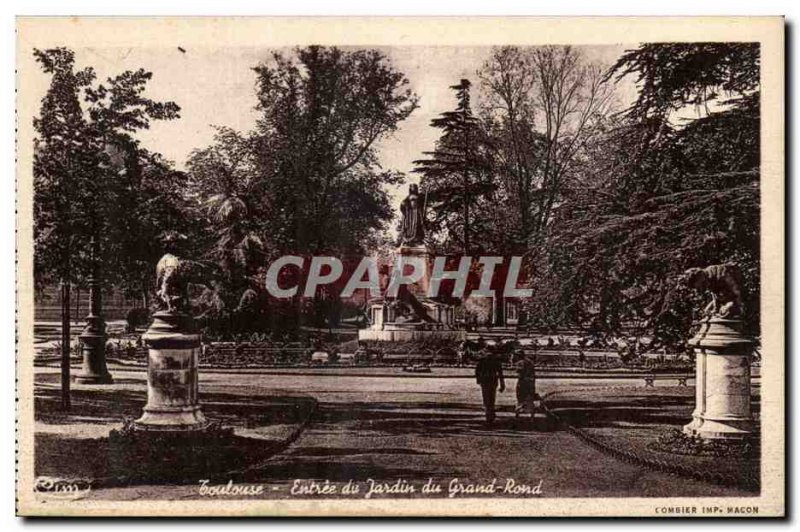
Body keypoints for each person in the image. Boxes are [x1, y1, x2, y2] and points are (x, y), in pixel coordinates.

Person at [475, 352, 505, 424]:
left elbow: (477, 371)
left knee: (487, 398)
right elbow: (500, 374)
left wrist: (478, 380)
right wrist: (502, 384)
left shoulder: (482, 361)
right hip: (492, 381)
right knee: (491, 398)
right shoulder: (496, 362)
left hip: (486, 381)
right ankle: (490, 413)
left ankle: (489, 414)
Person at [515, 354, 537, 422]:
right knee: (530, 400)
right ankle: (532, 417)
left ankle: (517, 416)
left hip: (522, 383)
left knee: (520, 399)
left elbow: (519, 372)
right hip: (530, 383)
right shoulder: (530, 362)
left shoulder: (520, 363)